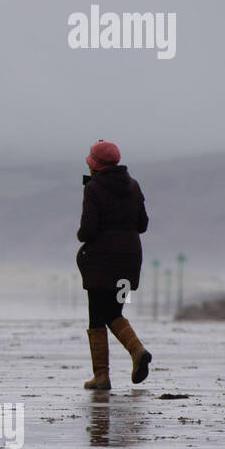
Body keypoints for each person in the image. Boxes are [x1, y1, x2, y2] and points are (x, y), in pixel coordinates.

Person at [76, 140, 152, 390]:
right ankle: (136, 351)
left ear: (94, 165)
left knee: (97, 315)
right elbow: (142, 224)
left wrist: (81, 235)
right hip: (129, 260)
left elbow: (88, 230)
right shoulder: (133, 185)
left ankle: (102, 375)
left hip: (101, 262)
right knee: (114, 311)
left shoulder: (94, 189)